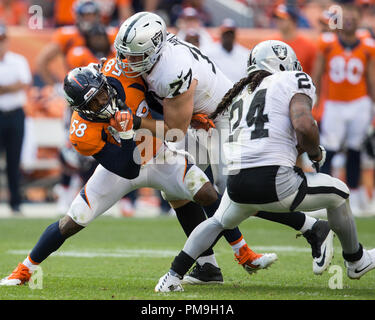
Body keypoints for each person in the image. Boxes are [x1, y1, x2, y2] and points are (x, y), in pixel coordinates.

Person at [0, 65, 277, 286]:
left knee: (205, 192)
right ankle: (25, 269)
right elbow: (127, 168)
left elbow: (159, 101)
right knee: (73, 221)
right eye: (93, 103)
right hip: (121, 167)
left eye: (101, 94)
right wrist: (127, 134)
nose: (102, 101)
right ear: (81, 110)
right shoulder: (81, 132)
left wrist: (188, 118)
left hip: (156, 152)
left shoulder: (125, 76)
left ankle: (243, 252)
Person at [114, 11, 335, 279]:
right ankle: (207, 265)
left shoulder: (170, 70)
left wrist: (135, 123)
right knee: (178, 191)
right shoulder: (161, 57)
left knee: (238, 193)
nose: (127, 61)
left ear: (154, 48)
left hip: (225, 118)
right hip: (205, 118)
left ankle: (312, 227)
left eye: (134, 55)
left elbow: (173, 131)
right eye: (124, 53)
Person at [154, 40, 375, 292]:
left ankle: (172, 276)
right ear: (282, 62)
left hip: (237, 184)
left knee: (217, 222)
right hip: (276, 182)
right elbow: (304, 125)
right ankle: (356, 259)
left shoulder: (240, 93)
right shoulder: (292, 80)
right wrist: (315, 153)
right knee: (339, 193)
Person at [312, 2, 375, 216]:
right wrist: (316, 100)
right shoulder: (327, 43)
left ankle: (357, 199)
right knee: (328, 150)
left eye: (353, 17)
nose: (349, 21)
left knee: (355, 150)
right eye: (345, 17)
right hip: (335, 104)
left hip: (359, 103)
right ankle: (322, 196)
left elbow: (371, 78)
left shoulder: (367, 45)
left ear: (359, 20)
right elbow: (318, 73)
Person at [0, 23, 32, 215]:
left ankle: (15, 202)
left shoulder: (18, 60)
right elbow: (18, 84)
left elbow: (24, 83)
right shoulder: (18, 63)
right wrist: (11, 86)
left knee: (14, 160)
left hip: (15, 113)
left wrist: (4, 88)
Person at [271, 3, 317, 75]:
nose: (278, 21)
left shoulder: (308, 46)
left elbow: (315, 73)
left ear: (293, 21)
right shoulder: (270, 44)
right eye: (277, 18)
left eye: (282, 19)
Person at [205, 18, 249, 83]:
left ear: (235, 35)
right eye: (226, 34)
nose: (228, 37)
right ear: (221, 34)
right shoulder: (209, 52)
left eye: (231, 34)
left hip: (239, 90)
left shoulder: (245, 54)